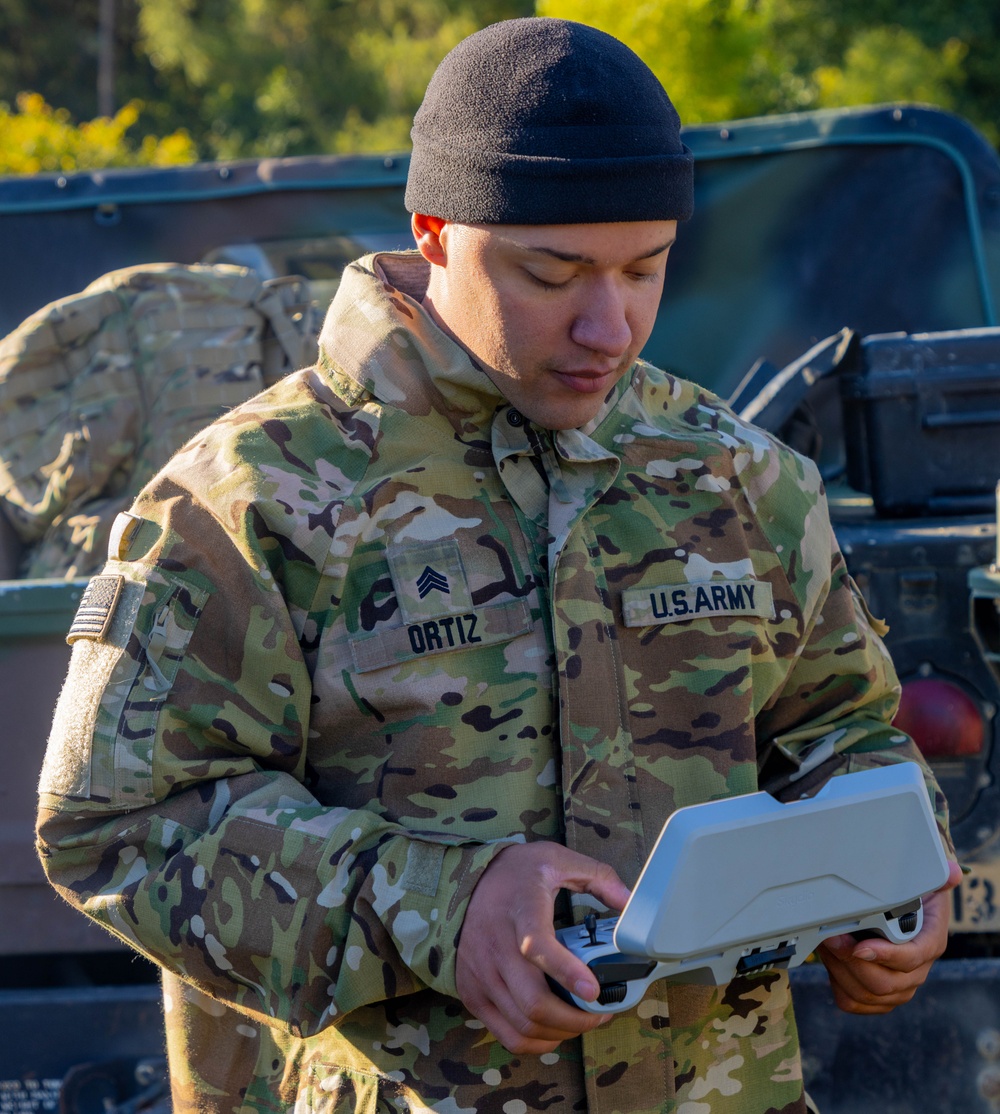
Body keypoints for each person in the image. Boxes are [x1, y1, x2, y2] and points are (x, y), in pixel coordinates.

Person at [37, 16, 960, 1114]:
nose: (607, 325)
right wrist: (440, 906)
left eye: (644, 268)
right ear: (433, 230)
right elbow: (115, 824)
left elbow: (842, 728)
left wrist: (900, 877)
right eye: (551, 272)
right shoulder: (256, 498)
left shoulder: (736, 478)